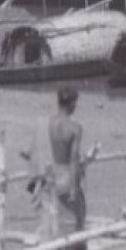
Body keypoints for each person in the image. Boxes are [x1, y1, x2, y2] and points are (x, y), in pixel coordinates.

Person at [47, 85, 87, 236]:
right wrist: (73, 189)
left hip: (51, 178)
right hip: (66, 178)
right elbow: (73, 160)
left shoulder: (47, 124)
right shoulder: (75, 128)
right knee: (80, 216)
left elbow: (28, 152)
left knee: (54, 220)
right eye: (75, 103)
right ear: (71, 103)